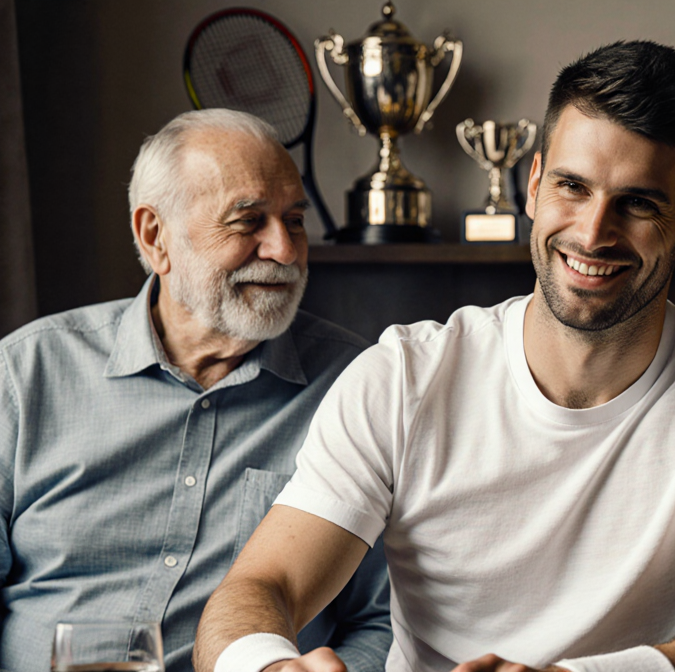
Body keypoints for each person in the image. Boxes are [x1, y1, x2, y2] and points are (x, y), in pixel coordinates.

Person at [194, 40, 675, 672]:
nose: (593, 233)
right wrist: (268, 664)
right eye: (573, 187)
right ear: (532, 186)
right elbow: (261, 585)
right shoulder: (404, 375)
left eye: (638, 204)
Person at [0, 109, 392, 671]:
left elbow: (379, 617)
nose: (284, 249)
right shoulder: (25, 374)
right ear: (154, 236)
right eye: (248, 220)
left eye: (295, 220)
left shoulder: (359, 386)